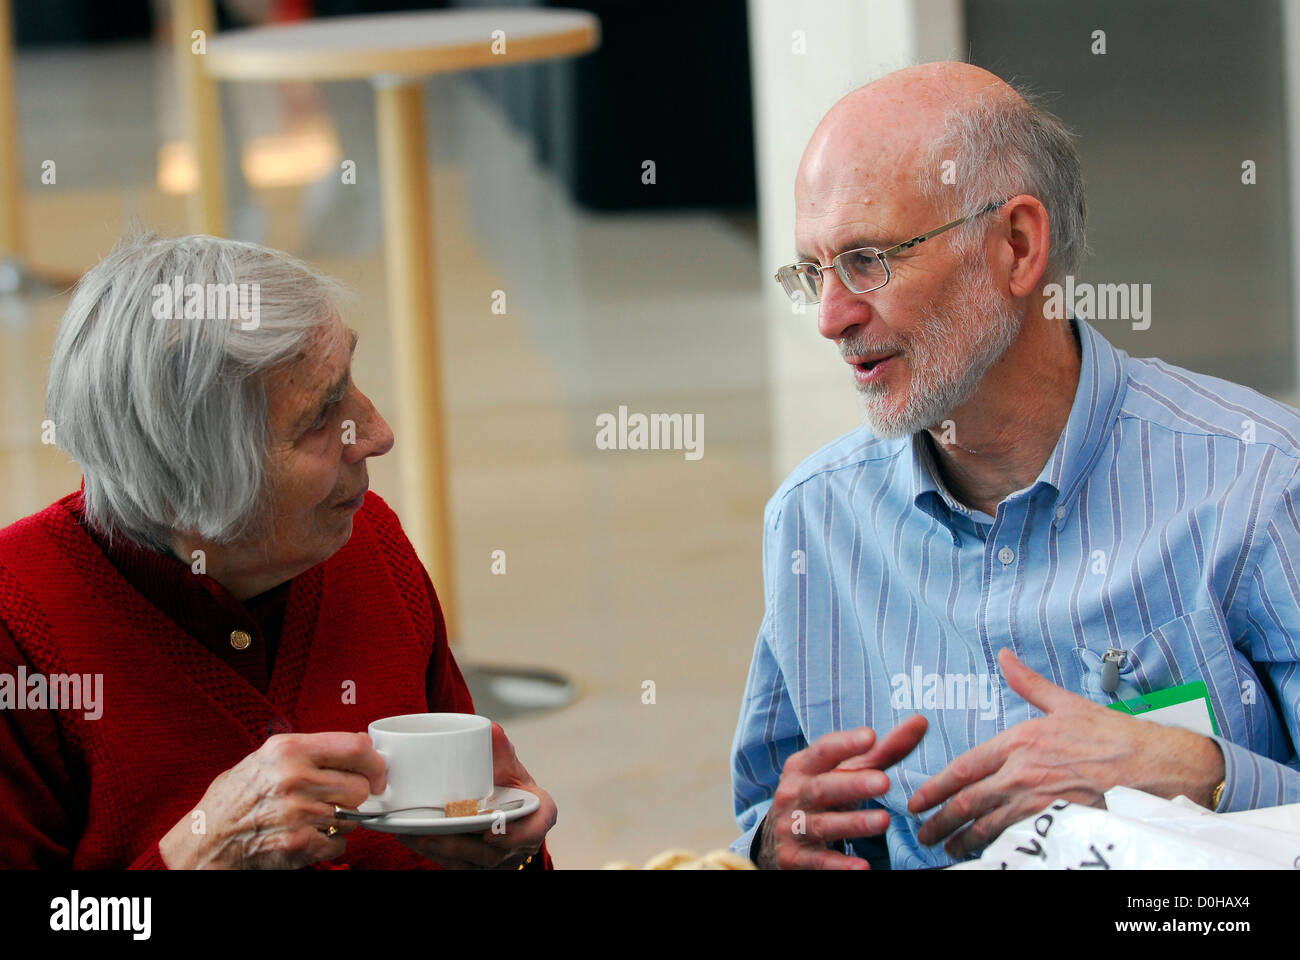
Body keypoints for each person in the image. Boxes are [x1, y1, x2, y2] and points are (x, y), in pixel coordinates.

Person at [730, 61, 1300, 870]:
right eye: (812, 271)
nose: (830, 317)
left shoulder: (1255, 481)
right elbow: (762, 809)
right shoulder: (815, 522)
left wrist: (1201, 777)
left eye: (867, 260)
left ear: (1018, 245)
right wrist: (772, 842)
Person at [0, 232, 557, 869]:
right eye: (322, 415)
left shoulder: (368, 543)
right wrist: (201, 856)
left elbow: (483, 828)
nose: (376, 433)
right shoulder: (20, 629)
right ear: (189, 484)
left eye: (348, 378)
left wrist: (510, 854)